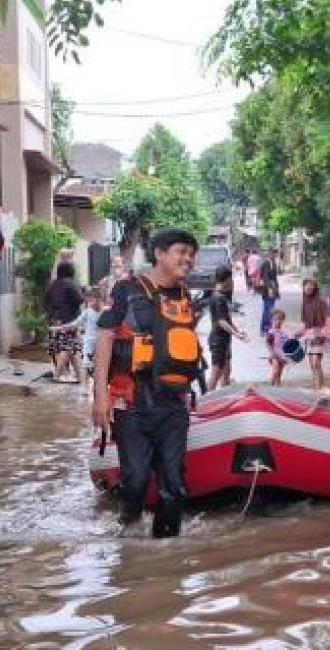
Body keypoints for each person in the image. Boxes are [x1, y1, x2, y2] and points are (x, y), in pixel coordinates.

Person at [91, 229, 203, 538]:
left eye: (192, 254)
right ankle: (127, 542)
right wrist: (100, 397)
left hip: (173, 405)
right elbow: (105, 338)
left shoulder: (184, 296)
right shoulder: (127, 290)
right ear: (160, 254)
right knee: (136, 479)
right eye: (182, 252)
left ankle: (167, 557)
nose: (188, 259)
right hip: (133, 404)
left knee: (173, 484)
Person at [50, 286, 103, 394]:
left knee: (98, 366)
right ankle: (85, 387)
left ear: (98, 299)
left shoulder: (103, 311)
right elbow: (75, 323)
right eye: (88, 300)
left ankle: (95, 388)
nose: (89, 302)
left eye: (91, 299)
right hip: (89, 344)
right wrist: (60, 328)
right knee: (86, 365)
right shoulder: (88, 312)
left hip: (100, 344)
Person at [207, 266, 247, 390]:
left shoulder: (220, 296)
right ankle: (206, 400)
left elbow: (226, 319)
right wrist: (236, 334)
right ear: (227, 279)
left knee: (226, 371)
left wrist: (237, 331)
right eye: (231, 278)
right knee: (216, 372)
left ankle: (222, 396)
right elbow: (221, 321)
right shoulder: (218, 298)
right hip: (218, 340)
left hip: (223, 339)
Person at [44, 261, 85, 383]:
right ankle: (57, 375)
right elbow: (79, 300)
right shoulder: (71, 284)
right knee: (68, 348)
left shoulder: (52, 285)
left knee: (63, 348)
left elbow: (45, 302)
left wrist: (51, 316)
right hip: (69, 320)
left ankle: (78, 376)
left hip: (54, 321)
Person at [298, 277, 330, 391]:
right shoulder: (304, 303)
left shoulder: (321, 302)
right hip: (309, 335)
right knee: (313, 364)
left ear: (315, 287)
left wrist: (324, 334)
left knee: (316, 361)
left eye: (311, 285)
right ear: (303, 287)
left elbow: (327, 319)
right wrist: (298, 333)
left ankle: (319, 389)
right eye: (306, 285)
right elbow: (303, 323)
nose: (308, 287)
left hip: (320, 334)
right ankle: (319, 387)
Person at [257, 248, 281, 336]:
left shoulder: (272, 262)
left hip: (272, 288)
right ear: (270, 253)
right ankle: (266, 328)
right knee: (269, 310)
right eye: (274, 254)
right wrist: (270, 289)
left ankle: (265, 328)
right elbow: (265, 277)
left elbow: (274, 278)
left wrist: (276, 291)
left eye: (276, 254)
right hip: (268, 290)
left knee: (268, 309)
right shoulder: (267, 262)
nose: (275, 255)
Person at [266, 308, 289, 386]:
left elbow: (286, 345)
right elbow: (268, 343)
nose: (278, 321)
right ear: (271, 320)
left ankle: (277, 389)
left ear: (283, 321)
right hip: (274, 355)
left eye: (280, 319)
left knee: (279, 374)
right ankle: (269, 386)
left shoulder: (283, 333)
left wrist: (287, 356)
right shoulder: (271, 332)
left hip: (282, 355)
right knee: (275, 370)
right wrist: (272, 353)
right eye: (275, 319)